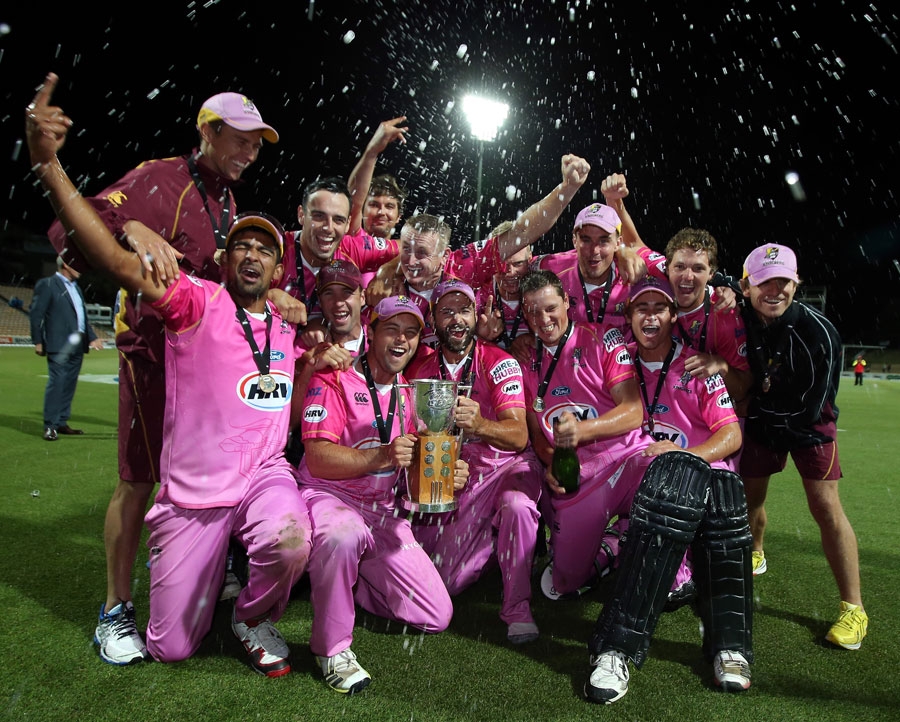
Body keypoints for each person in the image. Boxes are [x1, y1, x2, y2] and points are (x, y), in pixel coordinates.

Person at [25, 73, 319, 676]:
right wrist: (123, 223)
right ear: (207, 132)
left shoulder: (227, 200)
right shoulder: (163, 177)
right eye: (239, 140)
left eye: (257, 144)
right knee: (139, 480)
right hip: (154, 356)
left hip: (206, 363)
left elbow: (232, 278)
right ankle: (116, 607)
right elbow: (88, 237)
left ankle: (222, 571)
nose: (249, 153)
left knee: (228, 473)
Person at [585, 275, 753, 704]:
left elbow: (731, 436)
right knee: (668, 489)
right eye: (641, 308)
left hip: (697, 477)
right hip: (642, 483)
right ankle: (616, 647)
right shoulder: (617, 362)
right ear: (629, 317)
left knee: (721, 494)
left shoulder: (695, 365)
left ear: (673, 316)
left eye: (659, 308)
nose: (651, 316)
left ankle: (729, 645)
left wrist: (685, 459)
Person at [292, 295, 466, 694]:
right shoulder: (333, 377)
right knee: (342, 535)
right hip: (329, 497)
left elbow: (417, 468)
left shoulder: (412, 395)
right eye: (391, 329)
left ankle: (352, 584)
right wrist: (381, 456)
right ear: (369, 334)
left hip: (383, 513)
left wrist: (449, 473)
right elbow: (317, 459)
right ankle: (332, 649)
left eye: (410, 332)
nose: (401, 340)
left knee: (436, 614)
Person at [738, 243, 868, 649]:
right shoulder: (738, 317)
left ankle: (854, 609)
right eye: (764, 282)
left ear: (797, 284)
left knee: (827, 508)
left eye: (783, 282)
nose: (774, 291)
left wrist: (760, 393)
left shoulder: (820, 332)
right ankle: (756, 548)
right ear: (746, 286)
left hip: (808, 425)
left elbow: (813, 405)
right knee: (751, 499)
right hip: (762, 420)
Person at [406, 279, 544, 644]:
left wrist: (480, 423)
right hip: (455, 474)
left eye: (464, 311)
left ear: (475, 316)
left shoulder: (499, 362)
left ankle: (517, 608)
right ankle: (490, 541)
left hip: (506, 467)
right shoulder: (418, 364)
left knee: (516, 506)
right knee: (445, 583)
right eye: (446, 311)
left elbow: (518, 436)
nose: (456, 320)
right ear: (433, 319)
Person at [368, 154, 593, 347]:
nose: (411, 261)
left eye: (423, 253)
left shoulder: (462, 264)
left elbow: (522, 231)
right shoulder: (386, 276)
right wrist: (386, 269)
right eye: (405, 250)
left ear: (444, 256)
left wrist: (567, 188)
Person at [517, 269, 647, 600]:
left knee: (666, 485)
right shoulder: (525, 361)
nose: (543, 319)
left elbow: (634, 411)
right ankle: (612, 546)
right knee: (561, 584)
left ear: (566, 303)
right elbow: (540, 439)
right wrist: (552, 464)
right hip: (583, 477)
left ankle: (671, 570)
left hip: (626, 459)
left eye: (550, 308)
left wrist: (582, 430)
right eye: (532, 311)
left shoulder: (603, 338)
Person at [29, 255, 104, 440]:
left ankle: (61, 422)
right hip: (59, 344)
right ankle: (50, 425)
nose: (81, 268)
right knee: (57, 383)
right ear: (66, 265)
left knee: (69, 384)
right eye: (77, 264)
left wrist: (91, 338)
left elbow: (82, 318)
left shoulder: (76, 288)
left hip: (77, 345)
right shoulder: (47, 284)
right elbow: (36, 314)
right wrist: (38, 341)